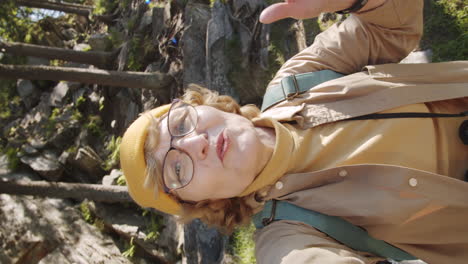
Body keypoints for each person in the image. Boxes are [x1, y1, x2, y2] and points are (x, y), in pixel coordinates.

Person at [120, 0, 468, 263]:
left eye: (181, 124)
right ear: (201, 203)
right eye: (177, 168)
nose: (196, 143)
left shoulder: (298, 78)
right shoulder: (287, 239)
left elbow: (392, 28)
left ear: (204, 105)